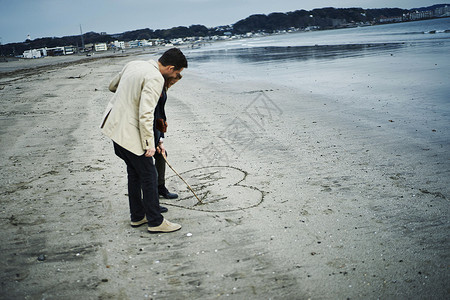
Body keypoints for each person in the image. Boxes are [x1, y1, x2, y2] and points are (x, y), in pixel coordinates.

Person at [100, 48, 187, 233]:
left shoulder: (134, 64)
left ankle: (138, 217)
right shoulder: (155, 78)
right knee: (149, 175)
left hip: (115, 128)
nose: (177, 76)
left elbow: (112, 86)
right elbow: (146, 114)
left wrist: (130, 94)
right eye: (177, 73)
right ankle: (156, 221)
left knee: (135, 174)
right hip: (130, 134)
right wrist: (149, 145)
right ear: (171, 68)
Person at [154, 74, 182, 200]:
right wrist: (154, 142)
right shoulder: (155, 88)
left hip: (155, 130)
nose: (171, 86)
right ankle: (151, 196)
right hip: (145, 131)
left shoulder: (162, 89)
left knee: (162, 155)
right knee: (146, 165)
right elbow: (152, 116)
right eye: (172, 83)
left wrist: (161, 140)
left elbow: (161, 115)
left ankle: (160, 187)